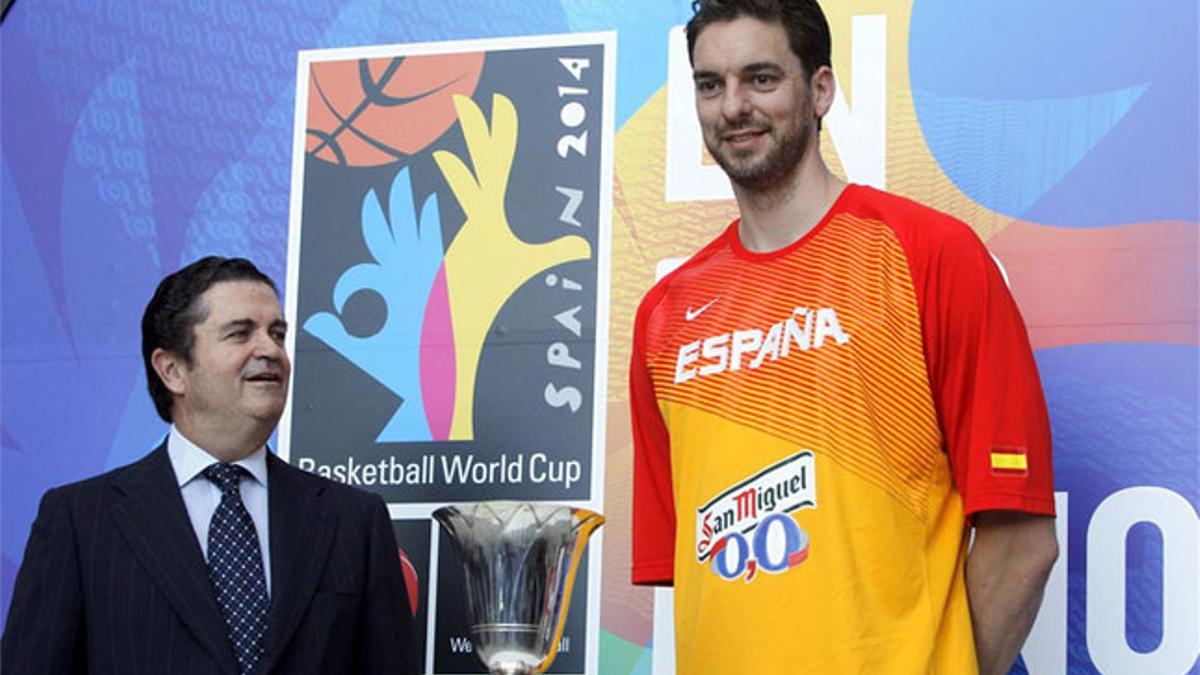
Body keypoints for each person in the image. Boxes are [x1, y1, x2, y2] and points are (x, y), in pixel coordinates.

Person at [629, 1, 1058, 673]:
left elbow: (1022, 541)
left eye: (761, 78)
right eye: (711, 84)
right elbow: (697, 576)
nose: (733, 105)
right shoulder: (665, 313)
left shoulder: (929, 254)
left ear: (820, 90)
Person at [2, 256, 418, 674]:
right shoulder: (80, 522)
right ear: (172, 371)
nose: (270, 351)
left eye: (277, 334)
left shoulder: (353, 521)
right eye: (241, 334)